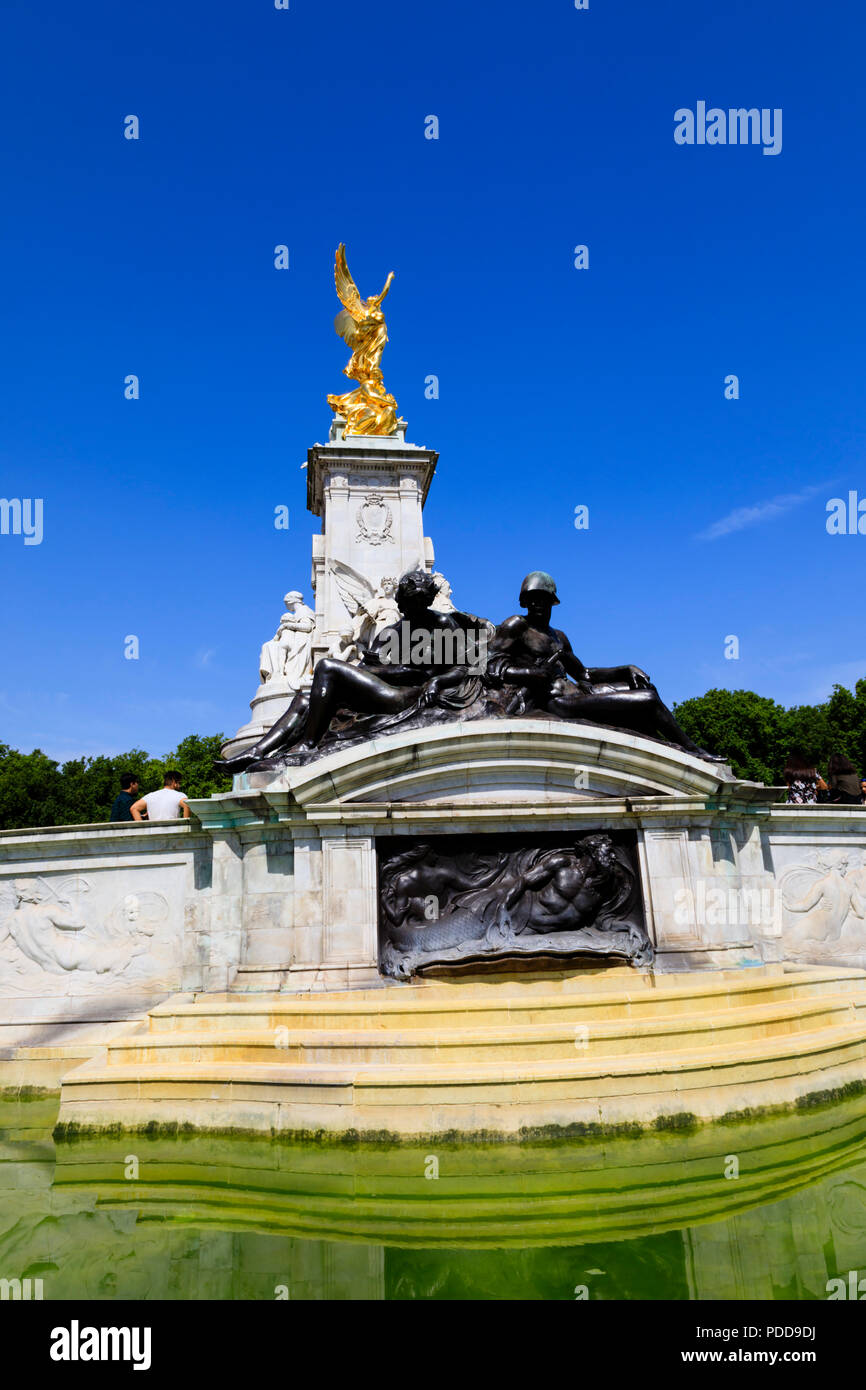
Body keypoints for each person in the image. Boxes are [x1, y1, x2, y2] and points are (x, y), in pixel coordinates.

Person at [486, 572, 725, 759]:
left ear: (552, 601)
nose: (537, 604)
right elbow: (488, 666)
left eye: (543, 598)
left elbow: (584, 673)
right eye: (532, 599)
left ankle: (666, 748)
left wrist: (625, 669)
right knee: (648, 701)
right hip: (555, 702)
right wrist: (533, 673)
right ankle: (692, 749)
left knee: (643, 690)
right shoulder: (517, 625)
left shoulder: (559, 636)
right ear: (524, 601)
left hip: (575, 693)